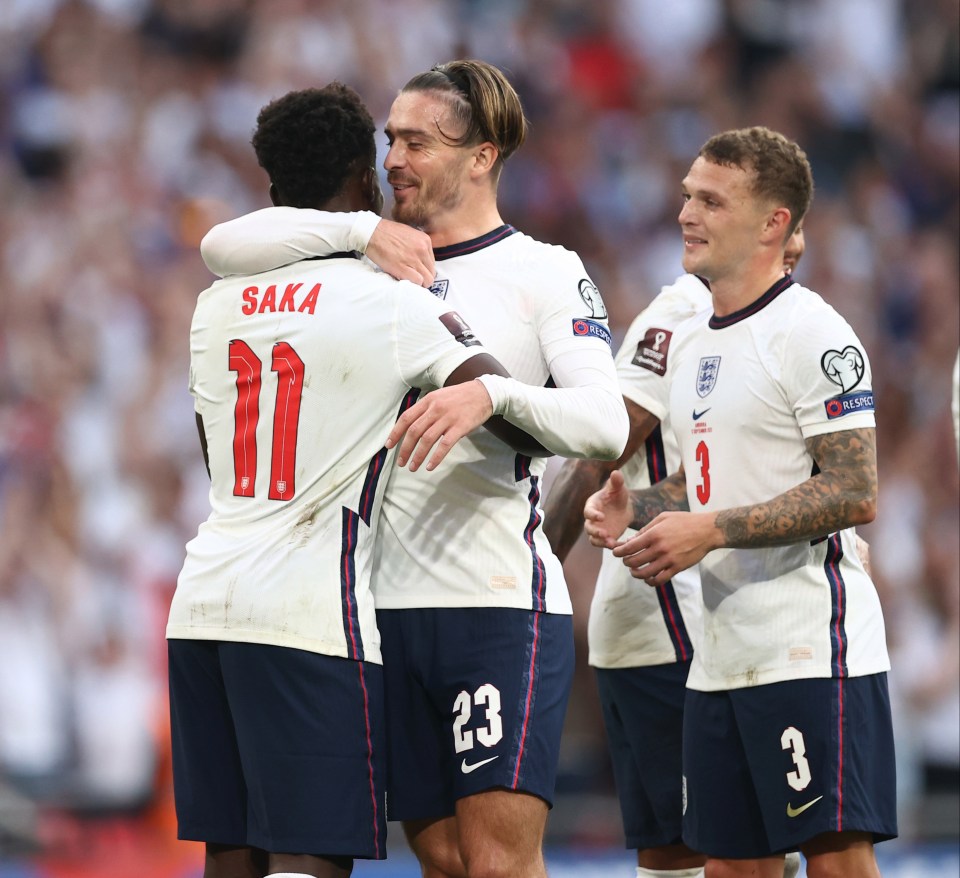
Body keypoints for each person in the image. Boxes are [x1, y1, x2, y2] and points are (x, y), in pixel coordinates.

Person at [167, 82, 618, 878]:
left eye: (419, 142)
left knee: (495, 863)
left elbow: (605, 424)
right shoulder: (362, 265)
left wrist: (494, 392)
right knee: (439, 858)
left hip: (488, 600)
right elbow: (223, 241)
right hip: (372, 610)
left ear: (482, 157)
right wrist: (362, 229)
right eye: (392, 138)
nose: (396, 158)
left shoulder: (542, 271)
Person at [584, 126, 896, 878]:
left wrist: (711, 530)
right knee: (729, 868)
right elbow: (708, 480)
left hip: (810, 649)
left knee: (836, 862)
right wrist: (642, 509)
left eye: (712, 201)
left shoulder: (814, 333)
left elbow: (856, 490)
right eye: (688, 194)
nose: (687, 213)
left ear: (773, 223)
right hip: (718, 657)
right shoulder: (693, 345)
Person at [543, 228, 806, 878]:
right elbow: (601, 453)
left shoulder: (749, 326)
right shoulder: (683, 317)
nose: (796, 241)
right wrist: (539, 579)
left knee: (676, 858)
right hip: (676, 623)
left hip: (664, 625)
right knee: (745, 853)